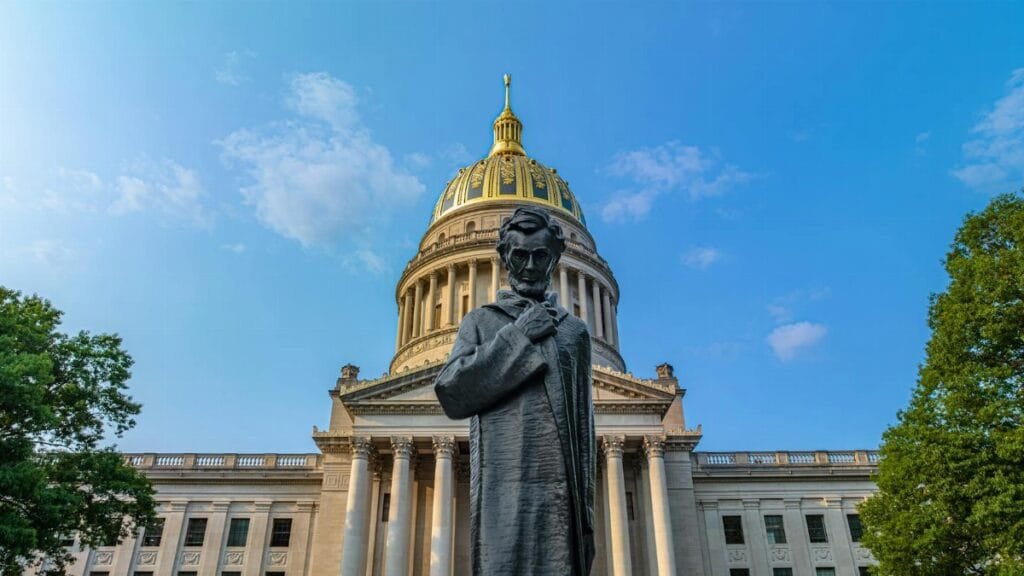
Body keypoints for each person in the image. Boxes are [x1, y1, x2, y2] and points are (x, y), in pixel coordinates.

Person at [434, 206, 595, 575]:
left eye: (541, 256)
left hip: (560, 496)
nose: (530, 266)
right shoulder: (481, 321)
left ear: (555, 260)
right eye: (520, 255)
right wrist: (521, 335)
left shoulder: (575, 333)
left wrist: (586, 516)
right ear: (505, 259)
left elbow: (586, 434)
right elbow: (452, 392)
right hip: (503, 489)